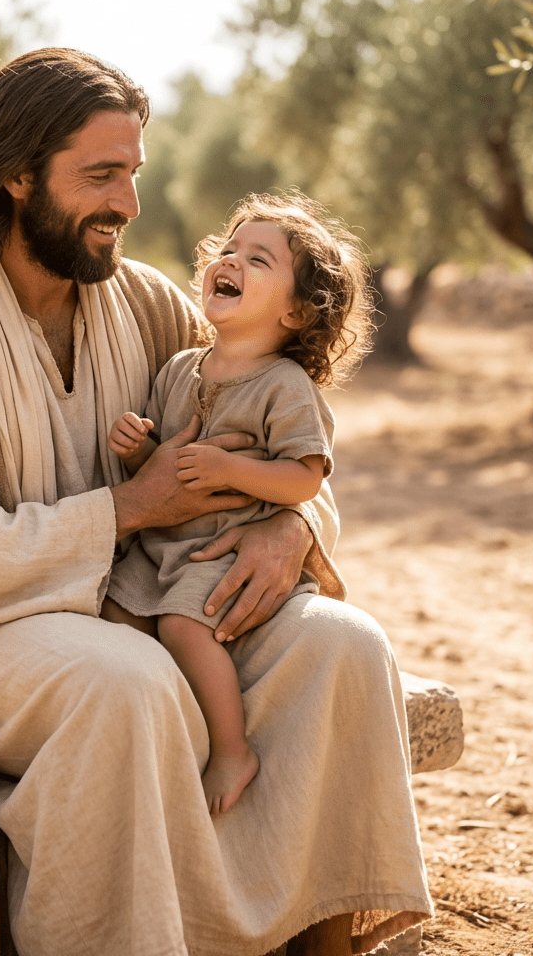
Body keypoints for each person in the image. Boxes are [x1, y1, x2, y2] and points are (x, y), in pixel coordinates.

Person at [0, 47, 433, 956]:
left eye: (134, 174)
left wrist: (288, 523)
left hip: (154, 596)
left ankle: (312, 941)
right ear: (16, 176)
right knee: (125, 681)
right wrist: (131, 509)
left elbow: (282, 453)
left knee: (344, 646)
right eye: (101, 175)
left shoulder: (149, 306)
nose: (129, 205)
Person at [102, 191, 375, 816]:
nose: (232, 261)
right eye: (228, 250)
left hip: (220, 553)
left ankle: (231, 749)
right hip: (164, 547)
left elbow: (305, 479)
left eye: (259, 260)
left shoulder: (285, 386)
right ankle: (167, 750)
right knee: (114, 617)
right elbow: (168, 468)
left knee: (182, 626)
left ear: (302, 311)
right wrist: (138, 451)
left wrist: (231, 467)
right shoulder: (179, 370)